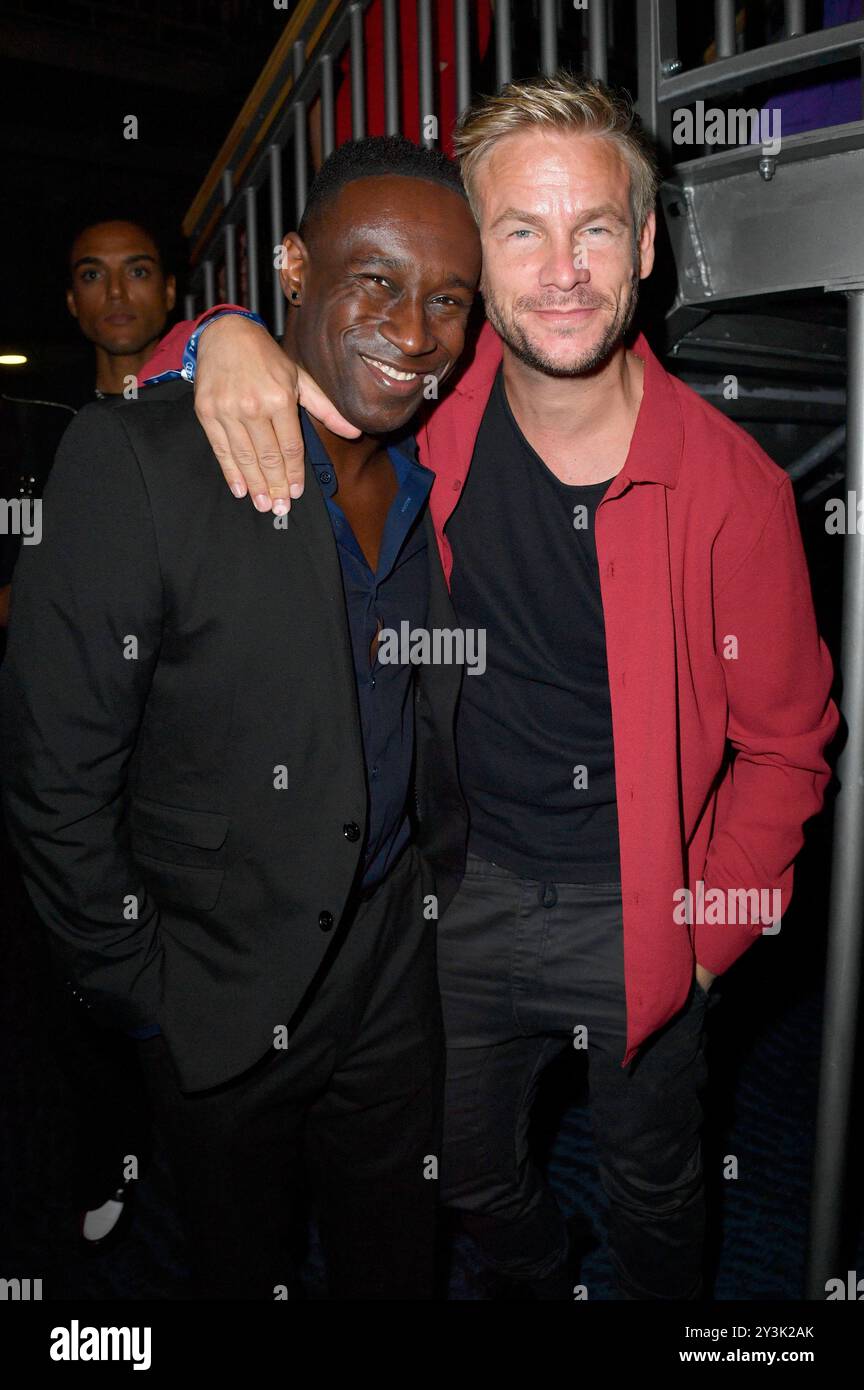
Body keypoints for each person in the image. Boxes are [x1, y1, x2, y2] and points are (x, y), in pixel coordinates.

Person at [147, 74, 840, 1300]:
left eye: (595, 229)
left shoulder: (737, 491)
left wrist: (712, 937)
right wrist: (215, 337)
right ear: (480, 253)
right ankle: (537, 1271)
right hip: (457, 891)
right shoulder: (424, 407)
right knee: (455, 1170)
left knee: (658, 1186)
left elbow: (789, 747)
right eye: (521, 231)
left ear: (646, 246)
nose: (562, 270)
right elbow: (208, 366)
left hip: (650, 904)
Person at [0, 135, 482, 1300]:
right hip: (213, 995)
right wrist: (142, 993)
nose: (414, 331)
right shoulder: (136, 463)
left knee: (396, 1261)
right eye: (375, 279)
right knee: (240, 1267)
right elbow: (53, 780)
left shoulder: (439, 469)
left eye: (449, 301)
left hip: (388, 979)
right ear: (294, 267)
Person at [0, 218, 177, 1257]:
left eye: (138, 271)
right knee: (62, 958)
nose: (116, 294)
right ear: (70, 302)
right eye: (92, 276)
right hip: (64, 743)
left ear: (171, 292)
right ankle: (97, 1144)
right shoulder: (36, 428)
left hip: (178, 742)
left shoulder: (211, 409)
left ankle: (155, 1136)